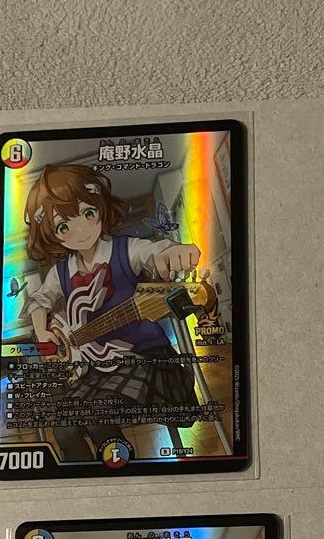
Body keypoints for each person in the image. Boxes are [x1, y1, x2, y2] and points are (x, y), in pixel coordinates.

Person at [23, 164, 202, 461]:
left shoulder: (125, 249)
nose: (80, 230)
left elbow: (153, 251)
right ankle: (83, 482)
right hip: (97, 369)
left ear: (100, 208)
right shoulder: (60, 272)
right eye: (63, 226)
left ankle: (123, 474)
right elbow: (38, 300)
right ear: (52, 234)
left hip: (145, 360)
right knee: (64, 428)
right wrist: (43, 330)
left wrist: (172, 253)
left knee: (97, 415)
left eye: (87, 213)